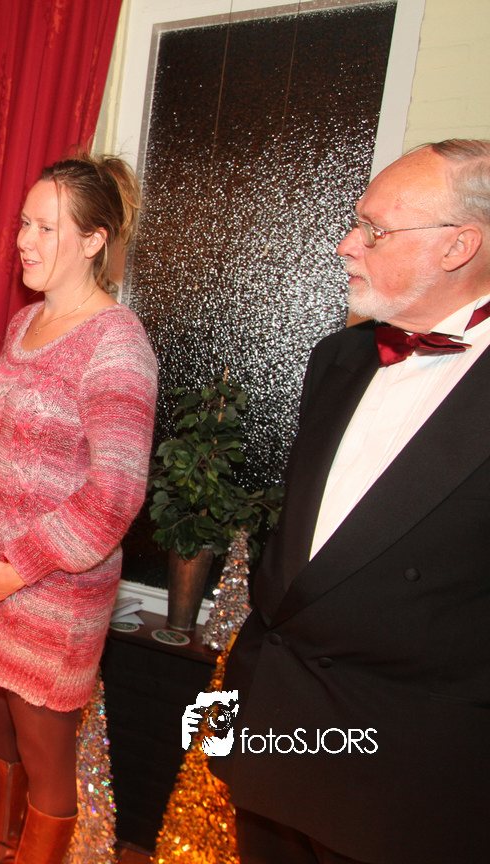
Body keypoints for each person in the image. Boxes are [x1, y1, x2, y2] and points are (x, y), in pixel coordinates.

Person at [208, 141, 490, 864]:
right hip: (277, 730)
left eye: (375, 229)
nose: (346, 245)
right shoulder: (339, 358)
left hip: (408, 775)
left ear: (459, 245)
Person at [0, 155, 157, 863]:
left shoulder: (117, 342)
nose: (24, 240)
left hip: (56, 591)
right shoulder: (24, 323)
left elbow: (115, 494)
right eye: (23, 224)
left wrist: (19, 567)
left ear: (95, 240)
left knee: (46, 763)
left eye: (45, 227)